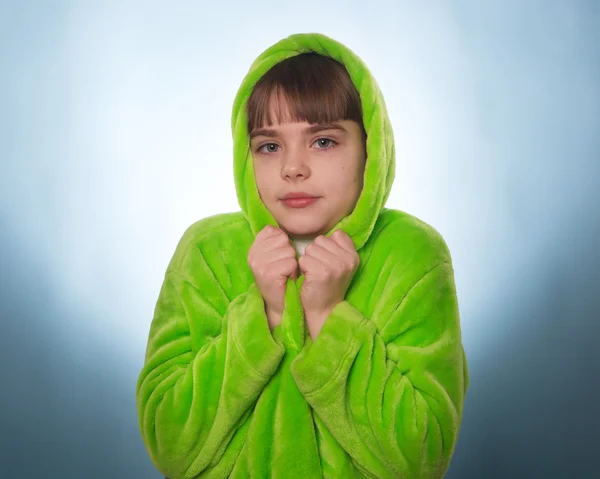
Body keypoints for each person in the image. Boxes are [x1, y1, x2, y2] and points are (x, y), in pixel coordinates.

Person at [136, 32, 470, 479]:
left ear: (370, 149)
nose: (293, 168)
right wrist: (265, 315)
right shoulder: (206, 252)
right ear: (245, 154)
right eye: (269, 146)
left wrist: (329, 316)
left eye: (323, 141)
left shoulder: (410, 254)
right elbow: (170, 443)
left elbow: (420, 458)